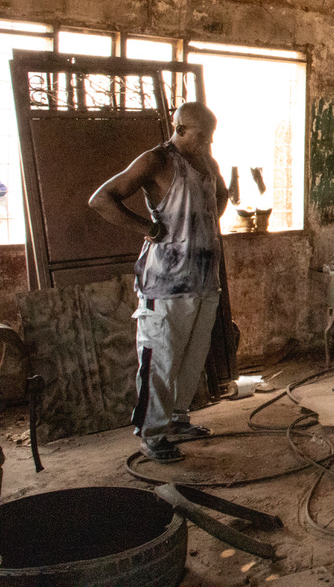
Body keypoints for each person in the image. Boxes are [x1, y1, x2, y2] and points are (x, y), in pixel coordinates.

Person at [89, 101, 228, 464]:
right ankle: (151, 434)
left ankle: (178, 420)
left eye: (211, 136)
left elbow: (221, 197)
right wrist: (147, 228)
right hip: (165, 284)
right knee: (161, 360)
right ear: (180, 128)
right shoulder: (156, 160)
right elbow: (101, 199)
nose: (208, 143)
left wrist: (201, 225)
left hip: (203, 279)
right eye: (202, 135)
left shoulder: (206, 162)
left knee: (191, 358)